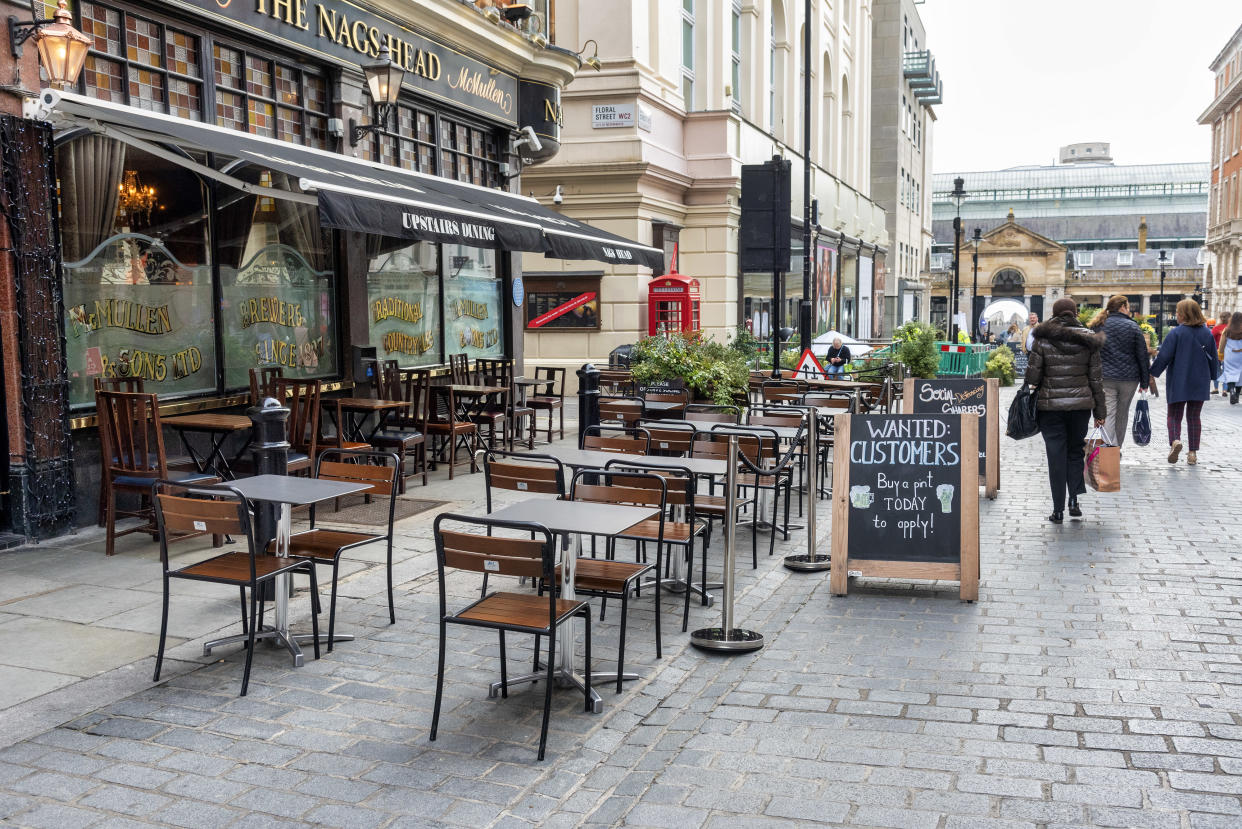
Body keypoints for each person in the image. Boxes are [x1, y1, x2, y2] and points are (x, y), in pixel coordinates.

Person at [1025, 297, 1105, 524]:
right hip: (1080, 407)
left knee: (1055, 455)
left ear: (1054, 313)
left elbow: (1032, 377)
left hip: (1050, 407)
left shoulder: (1043, 338)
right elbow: (1096, 380)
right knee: (1075, 452)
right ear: (1075, 313)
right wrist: (1100, 412)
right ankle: (1074, 502)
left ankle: (1058, 510)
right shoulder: (1090, 339)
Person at [1149, 298, 1220, 466]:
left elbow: (1164, 356)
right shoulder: (1206, 333)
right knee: (1194, 417)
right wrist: (1212, 376)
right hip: (1199, 381)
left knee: (1174, 415)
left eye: (1178, 313)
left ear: (1183, 315)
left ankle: (1175, 441)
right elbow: (1213, 358)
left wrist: (1152, 373)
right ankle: (1193, 453)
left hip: (1179, 379)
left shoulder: (1176, 333)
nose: (1176, 315)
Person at [1087, 295, 1151, 448]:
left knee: (1108, 413)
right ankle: (1116, 448)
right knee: (1122, 414)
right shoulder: (1133, 327)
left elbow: (1090, 353)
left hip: (1105, 377)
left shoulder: (1098, 326)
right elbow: (1142, 356)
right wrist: (1145, 382)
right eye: (1128, 306)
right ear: (1122, 307)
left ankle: (1109, 447)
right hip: (1129, 379)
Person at [1219, 311, 1242, 405]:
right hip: (1241, 354)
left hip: (1230, 355)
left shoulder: (1226, 330)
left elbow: (1222, 344)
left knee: (1229, 373)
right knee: (1240, 374)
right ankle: (1237, 394)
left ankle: (1231, 390)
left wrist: (1220, 353)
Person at [1211, 313, 1230, 395]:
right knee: (1226, 371)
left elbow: (1211, 339)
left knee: (1216, 370)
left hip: (1217, 352)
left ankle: (1216, 388)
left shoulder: (1216, 328)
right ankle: (1225, 390)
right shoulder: (1231, 329)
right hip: (1229, 353)